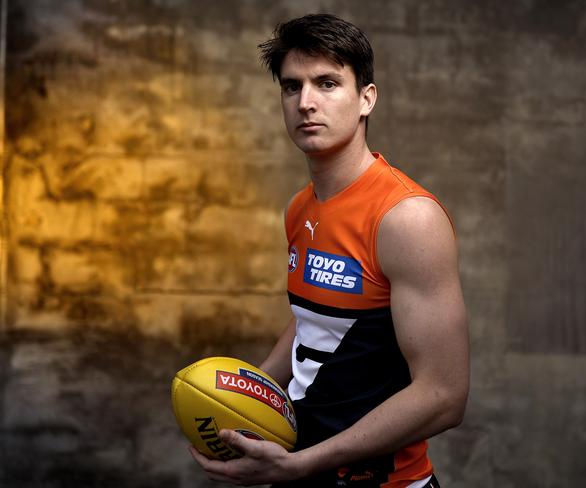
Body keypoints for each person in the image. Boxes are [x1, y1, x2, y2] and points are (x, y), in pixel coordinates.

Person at [190, 13, 469, 487]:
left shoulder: (406, 218)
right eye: (291, 86)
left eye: (327, 83)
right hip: (299, 473)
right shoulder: (301, 208)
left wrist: (305, 461)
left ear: (366, 99)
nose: (306, 103)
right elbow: (314, 325)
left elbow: (444, 395)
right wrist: (239, 397)